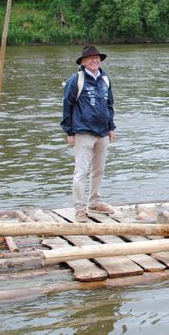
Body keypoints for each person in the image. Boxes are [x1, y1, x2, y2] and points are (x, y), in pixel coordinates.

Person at [61, 45, 116, 222]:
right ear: (83, 61)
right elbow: (67, 106)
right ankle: (79, 208)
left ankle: (95, 202)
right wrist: (69, 131)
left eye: (97, 58)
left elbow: (110, 105)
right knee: (81, 171)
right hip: (83, 131)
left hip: (103, 131)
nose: (95, 61)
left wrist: (111, 127)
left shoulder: (105, 79)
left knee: (99, 169)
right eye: (91, 58)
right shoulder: (76, 80)